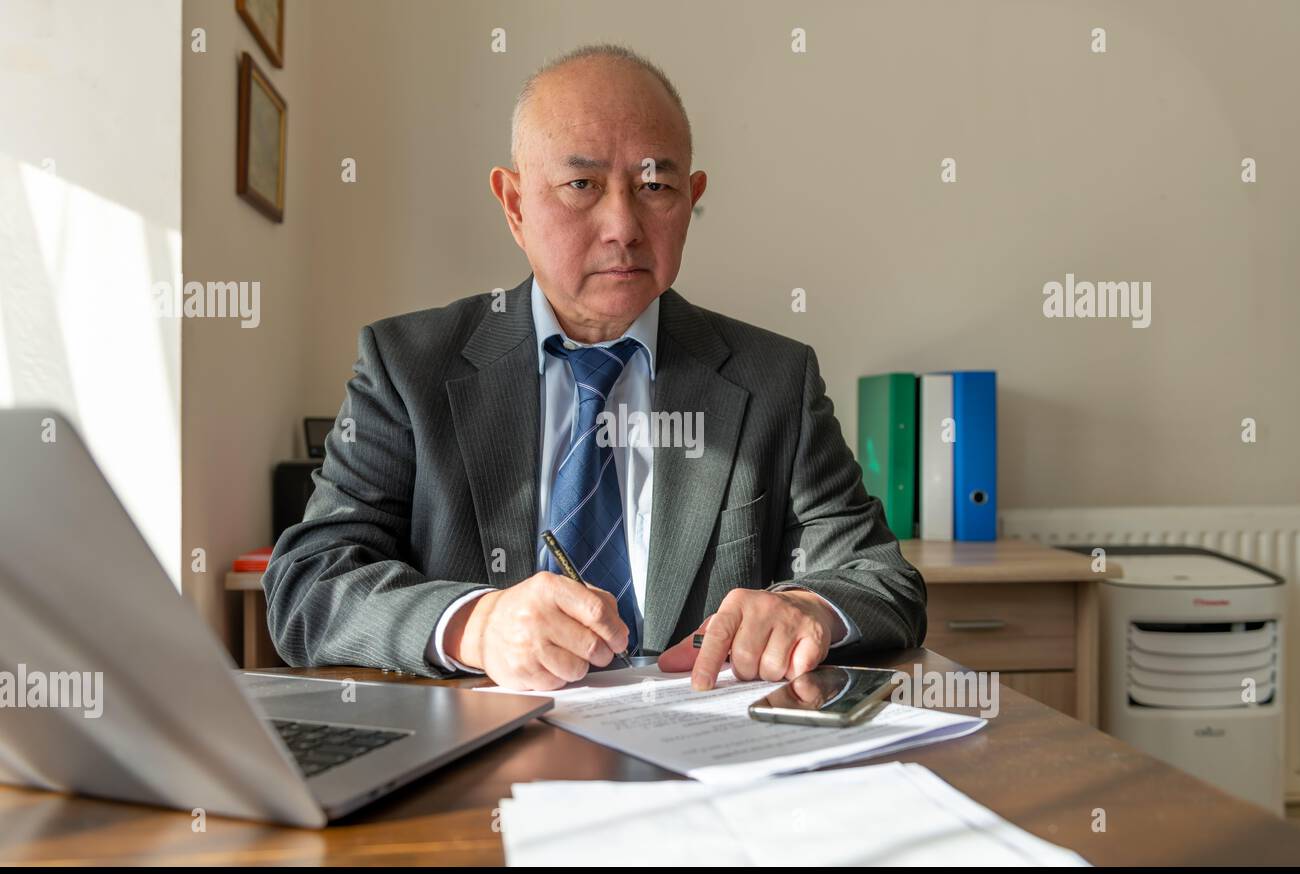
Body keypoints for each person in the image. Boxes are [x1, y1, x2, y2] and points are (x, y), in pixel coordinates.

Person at [264, 43, 926, 692]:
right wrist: (477, 624)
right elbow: (309, 585)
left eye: (655, 186)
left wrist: (809, 610)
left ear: (691, 199)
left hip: (704, 760)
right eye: (581, 184)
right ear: (516, 204)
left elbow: (880, 578)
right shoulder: (408, 368)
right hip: (482, 762)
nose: (624, 225)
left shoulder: (775, 378)